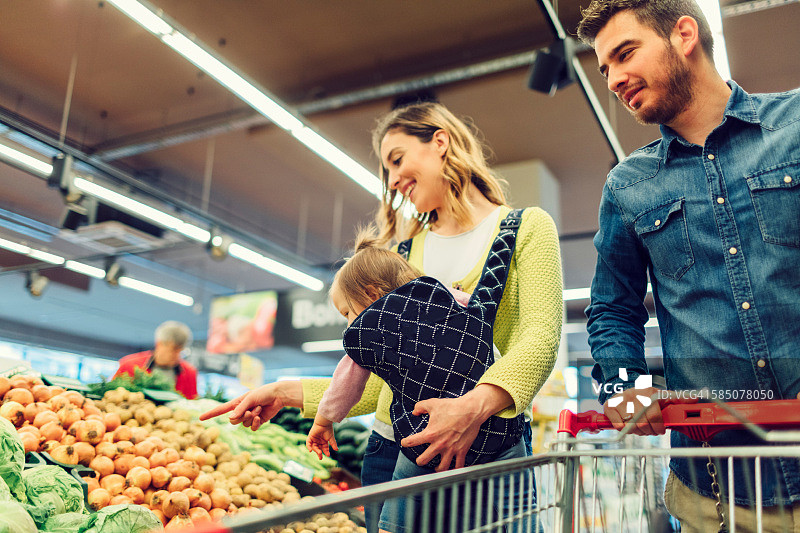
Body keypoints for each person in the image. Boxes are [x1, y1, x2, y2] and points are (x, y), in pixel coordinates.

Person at [200, 102, 563, 531]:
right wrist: (283, 392)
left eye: (397, 160)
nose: (392, 181)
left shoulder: (525, 228)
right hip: (395, 451)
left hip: (489, 449)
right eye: (386, 171)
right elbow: (379, 381)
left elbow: (540, 339)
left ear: (440, 142)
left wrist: (471, 408)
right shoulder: (401, 255)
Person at [577, 1, 800, 531]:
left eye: (625, 53)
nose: (613, 80)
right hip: (715, 490)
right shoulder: (628, 186)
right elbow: (612, 308)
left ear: (684, 34)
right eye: (604, 68)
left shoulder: (795, 129)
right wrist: (622, 387)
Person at [114, 320, 198, 399]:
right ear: (159, 343)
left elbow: (191, 404)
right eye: (174, 349)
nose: (177, 356)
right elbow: (111, 395)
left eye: (181, 351)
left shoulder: (189, 373)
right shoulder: (129, 365)